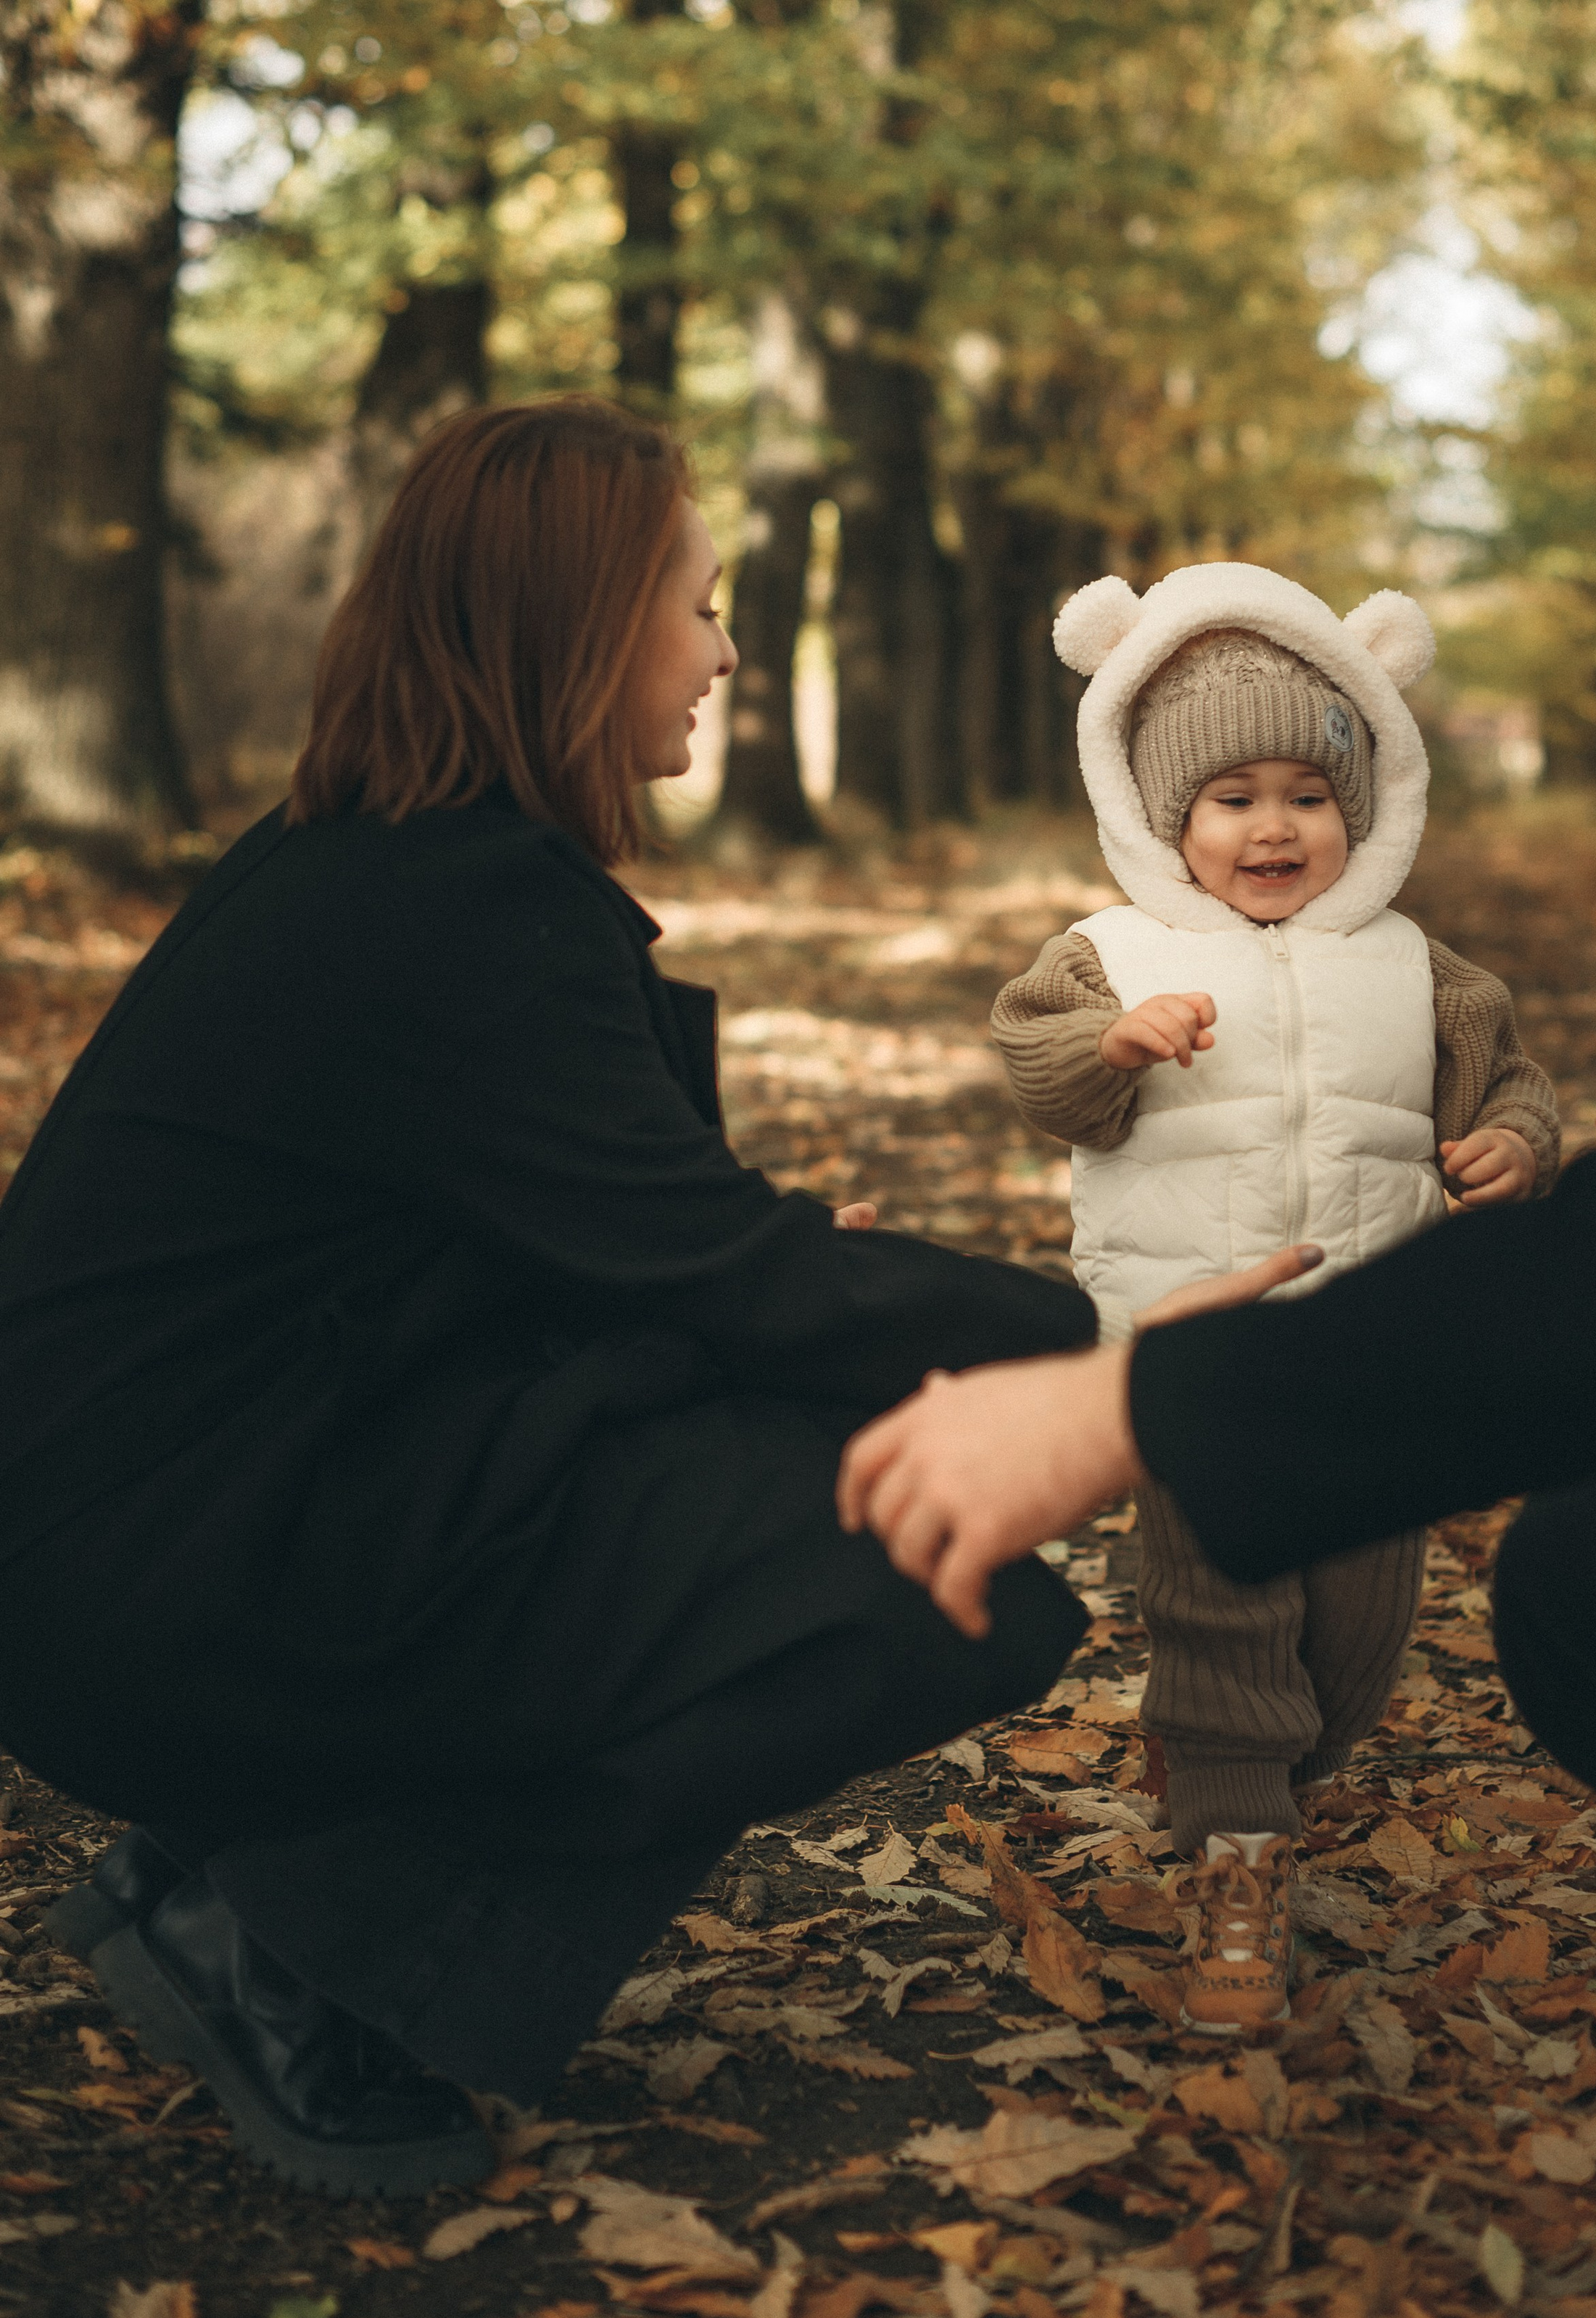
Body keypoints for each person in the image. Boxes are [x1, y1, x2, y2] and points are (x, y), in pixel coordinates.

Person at [840, 181, 1596, 2272]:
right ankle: (1238, 1823)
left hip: (1322, 1352)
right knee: (1586, 1579)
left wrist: (1555, 1166)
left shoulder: (1440, 963)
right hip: (1215, 1307)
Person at [0, 398, 1096, 2195]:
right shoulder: (459, 908)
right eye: (700, 604)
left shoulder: (379, 864)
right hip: (162, 1570)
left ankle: (240, 1871)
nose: (727, 653)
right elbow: (731, 1277)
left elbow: (607, 1259)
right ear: (580, 626)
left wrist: (792, 1286)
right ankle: (293, 1941)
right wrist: (1107, 1343)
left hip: (183, 1517)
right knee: (918, 1577)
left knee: (818, 1448)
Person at [988, 562, 1557, 2029]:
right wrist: (1112, 1046)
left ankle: (1254, 1776)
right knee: (1227, 1620)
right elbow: (1035, 1072)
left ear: (1357, 806)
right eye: (1228, 795)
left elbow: (1508, 1093)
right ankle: (1236, 1863)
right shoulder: (1110, 954)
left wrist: (1511, 1147)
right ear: (1160, 811)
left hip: (1377, 1360)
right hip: (1198, 1358)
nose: (1269, 825)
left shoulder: (1415, 968)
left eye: (1305, 791)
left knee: (1351, 1649)